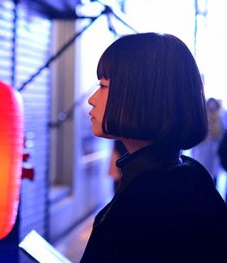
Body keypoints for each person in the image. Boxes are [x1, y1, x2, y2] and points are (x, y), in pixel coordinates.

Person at [81, 33, 227, 263]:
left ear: (140, 96)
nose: (92, 99)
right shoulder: (191, 175)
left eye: (103, 85)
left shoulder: (147, 205)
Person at [192, 97, 224, 186]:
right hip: (202, 148)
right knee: (201, 172)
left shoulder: (221, 116)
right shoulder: (202, 117)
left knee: (214, 173)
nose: (212, 106)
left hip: (215, 148)